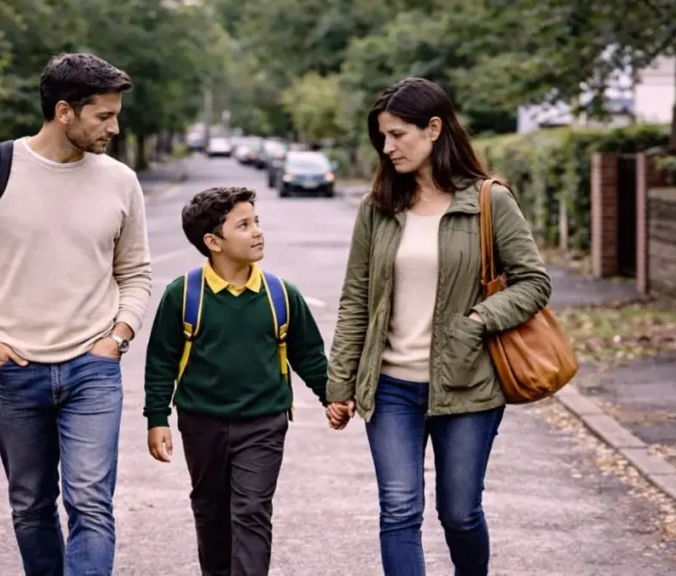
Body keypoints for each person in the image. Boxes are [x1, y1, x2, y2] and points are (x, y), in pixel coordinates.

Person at [0, 53, 151, 576]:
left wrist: (118, 337)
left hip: (92, 368)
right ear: (64, 112)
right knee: (30, 506)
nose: (115, 128)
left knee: (91, 504)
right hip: (15, 369)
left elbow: (136, 274)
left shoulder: (120, 182)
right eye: (104, 116)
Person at [324, 77, 552, 576]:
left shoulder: (489, 202)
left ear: (434, 128)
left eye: (397, 134)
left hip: (468, 386)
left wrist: (478, 320)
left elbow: (534, 283)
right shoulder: (378, 208)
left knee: (460, 513)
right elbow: (356, 300)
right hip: (389, 389)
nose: (388, 148)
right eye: (382, 137)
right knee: (399, 511)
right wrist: (339, 384)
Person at [143, 186, 330, 576]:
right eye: (243, 225)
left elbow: (309, 355)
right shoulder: (183, 295)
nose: (257, 231)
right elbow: (161, 361)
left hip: (264, 421)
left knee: (252, 510)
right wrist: (157, 417)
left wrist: (334, 395)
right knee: (211, 510)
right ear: (213, 241)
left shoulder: (280, 294)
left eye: (256, 221)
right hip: (201, 422)